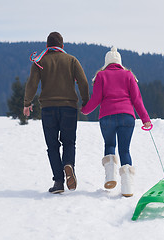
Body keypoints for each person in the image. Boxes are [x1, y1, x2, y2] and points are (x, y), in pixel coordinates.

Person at [24, 32, 89, 194]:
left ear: (47, 46)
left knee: (52, 146)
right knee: (69, 142)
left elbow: (31, 84)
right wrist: (86, 102)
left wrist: (27, 103)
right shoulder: (72, 60)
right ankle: (69, 164)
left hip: (48, 108)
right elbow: (83, 82)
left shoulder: (40, 61)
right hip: (69, 108)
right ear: (62, 46)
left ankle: (59, 182)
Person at [81, 47, 151, 197]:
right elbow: (137, 100)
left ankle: (110, 177)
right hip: (127, 116)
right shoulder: (129, 75)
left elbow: (96, 99)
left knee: (110, 145)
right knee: (125, 150)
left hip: (107, 117)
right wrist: (145, 119)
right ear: (120, 62)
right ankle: (127, 188)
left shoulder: (101, 75)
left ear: (106, 62)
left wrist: (85, 110)